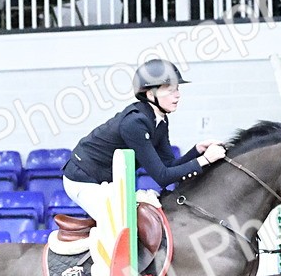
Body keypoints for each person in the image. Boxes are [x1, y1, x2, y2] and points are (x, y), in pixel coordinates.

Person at [61, 58, 227, 223]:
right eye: (169, 90)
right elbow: (162, 177)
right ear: (150, 94)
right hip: (82, 180)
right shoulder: (135, 123)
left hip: (106, 181)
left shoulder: (160, 120)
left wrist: (196, 151)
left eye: (177, 89)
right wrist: (204, 160)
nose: (177, 95)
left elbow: (169, 166)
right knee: (119, 225)